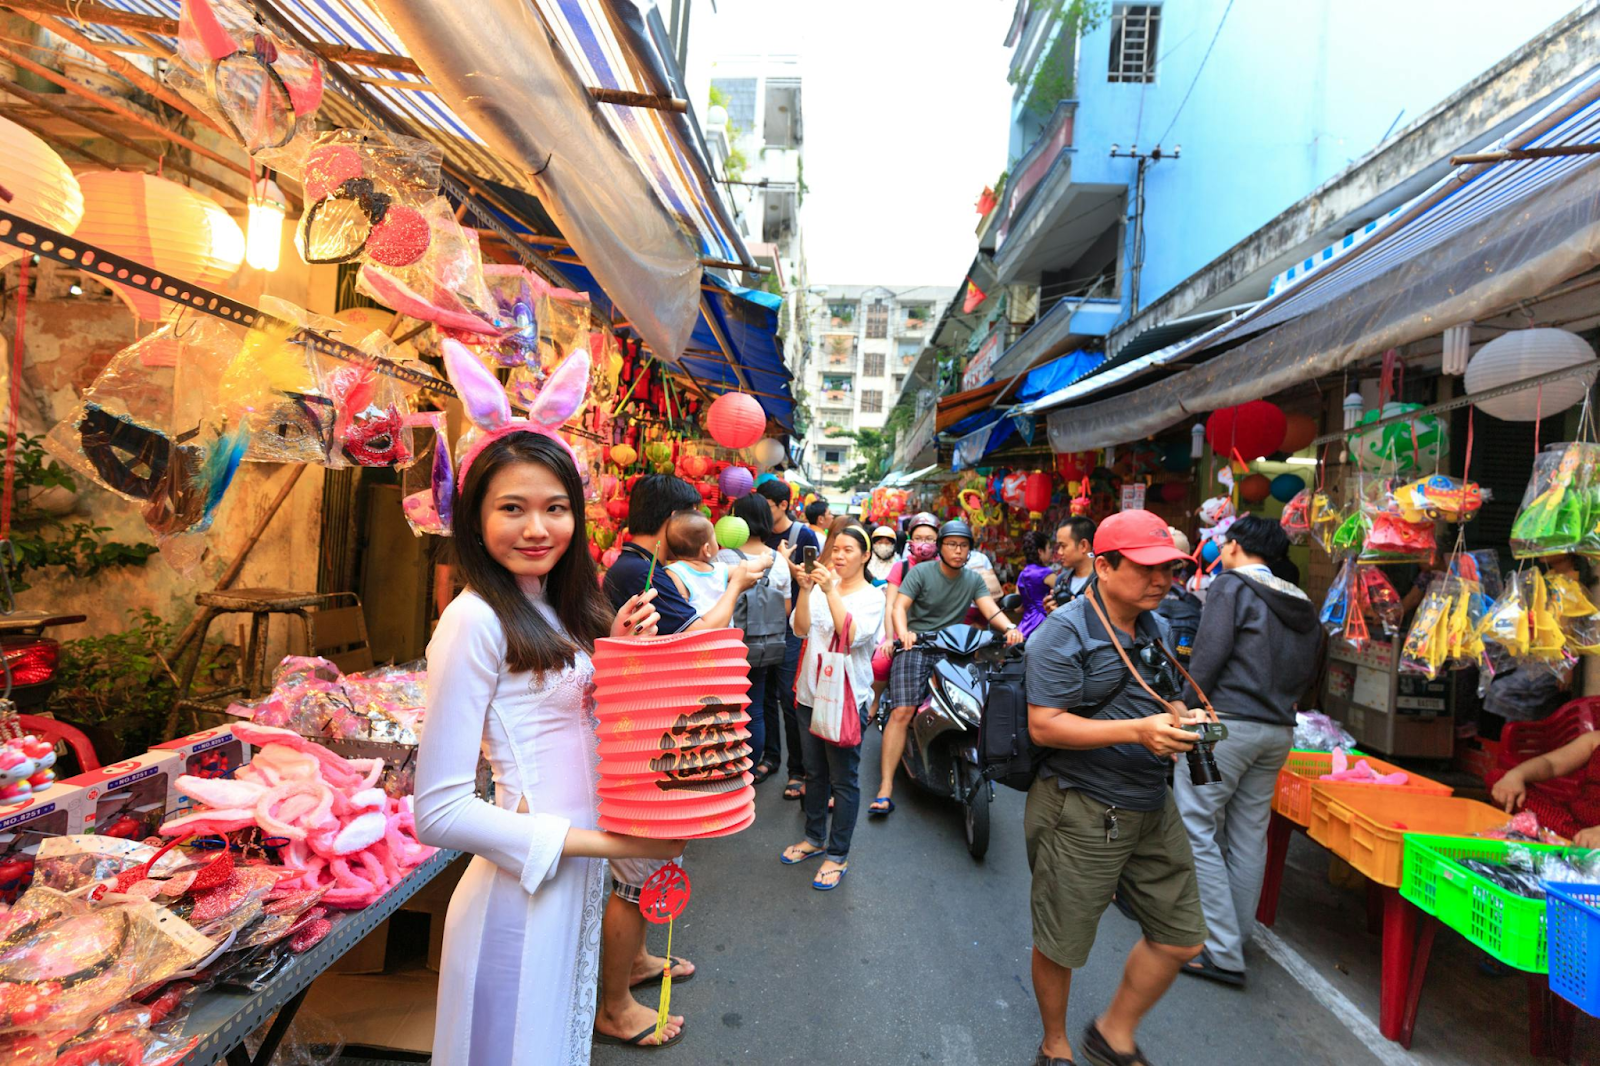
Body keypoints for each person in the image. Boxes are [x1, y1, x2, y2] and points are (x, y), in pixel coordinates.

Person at [416, 429, 687, 1059]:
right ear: (475, 518)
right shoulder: (473, 619)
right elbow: (439, 812)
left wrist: (617, 654)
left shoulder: (549, 605)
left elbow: (564, 718)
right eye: (513, 508)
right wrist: (619, 845)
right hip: (517, 903)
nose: (537, 528)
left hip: (569, 885)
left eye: (555, 508)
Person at [1023, 508, 1210, 1066]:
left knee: (1182, 937)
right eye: (1147, 568)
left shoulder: (1154, 624)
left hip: (1151, 800)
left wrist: (1183, 715)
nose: (1161, 580)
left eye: (1170, 570)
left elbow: (1160, 693)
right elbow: (1044, 724)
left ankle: (1112, 1032)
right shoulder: (1064, 631)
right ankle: (1055, 1044)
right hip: (1079, 806)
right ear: (1102, 566)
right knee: (1062, 943)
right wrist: (1138, 731)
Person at [598, 474, 767, 1046]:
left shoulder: (636, 569)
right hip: (643, 742)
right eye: (693, 515)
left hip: (650, 731)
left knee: (641, 869)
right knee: (633, 874)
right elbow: (699, 636)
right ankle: (614, 1005)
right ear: (672, 520)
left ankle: (639, 961)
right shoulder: (636, 572)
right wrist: (737, 583)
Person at [1174, 514, 1321, 988]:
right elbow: (1317, 668)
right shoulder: (1300, 600)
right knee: (1248, 835)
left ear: (1234, 546)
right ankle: (1234, 939)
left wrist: (1187, 704)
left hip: (1222, 727)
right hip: (1277, 732)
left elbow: (1209, 654)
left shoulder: (1231, 586)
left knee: (1195, 822)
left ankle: (1221, 950)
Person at [872, 519, 1022, 815]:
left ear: (969, 551)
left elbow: (990, 610)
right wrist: (904, 633)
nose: (957, 550)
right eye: (952, 544)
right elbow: (899, 607)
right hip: (918, 646)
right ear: (941, 547)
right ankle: (886, 786)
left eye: (963, 545)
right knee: (902, 711)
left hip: (955, 648)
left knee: (978, 701)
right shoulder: (921, 573)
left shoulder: (973, 579)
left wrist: (1011, 629)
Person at [781, 524, 888, 890]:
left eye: (848, 549)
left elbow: (853, 636)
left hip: (845, 700)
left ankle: (837, 854)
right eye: (835, 549)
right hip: (811, 693)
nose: (839, 556)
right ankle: (814, 838)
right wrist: (807, 591)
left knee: (843, 780)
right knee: (814, 773)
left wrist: (829, 591)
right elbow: (799, 629)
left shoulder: (873, 596)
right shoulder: (820, 586)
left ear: (866, 555)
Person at [716, 492, 793, 784]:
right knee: (757, 707)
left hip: (728, 644)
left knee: (727, 708)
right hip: (763, 646)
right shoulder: (778, 561)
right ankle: (746, 772)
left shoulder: (723, 558)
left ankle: (725, 768)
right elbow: (785, 610)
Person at [758, 478, 821, 801]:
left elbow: (814, 576)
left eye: (768, 506)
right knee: (766, 693)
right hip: (760, 625)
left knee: (788, 696)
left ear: (783, 505)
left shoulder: (803, 535)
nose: (763, 512)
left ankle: (798, 770)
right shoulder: (759, 532)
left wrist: (792, 569)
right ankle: (771, 757)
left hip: (791, 625)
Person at [1491, 725, 1600, 845]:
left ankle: (1560, 841)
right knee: (1502, 780)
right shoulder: (1594, 740)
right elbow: (1551, 764)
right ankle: (1564, 839)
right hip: (1570, 824)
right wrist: (1517, 775)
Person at [663, 512, 728, 618]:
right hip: (724, 631)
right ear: (707, 549)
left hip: (696, 631)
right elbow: (747, 569)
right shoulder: (721, 569)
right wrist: (764, 560)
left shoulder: (674, 571)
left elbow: (680, 606)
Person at [1048, 517, 1096, 613]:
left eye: (1063, 546)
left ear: (1083, 545)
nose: (1059, 552)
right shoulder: (1061, 580)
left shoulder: (1102, 582)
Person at [1018, 530, 1056, 639]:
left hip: (1025, 625)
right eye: (1049, 548)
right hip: (1044, 623)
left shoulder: (1022, 574)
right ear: (1040, 551)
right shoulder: (1047, 573)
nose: (1050, 552)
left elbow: (1018, 608)